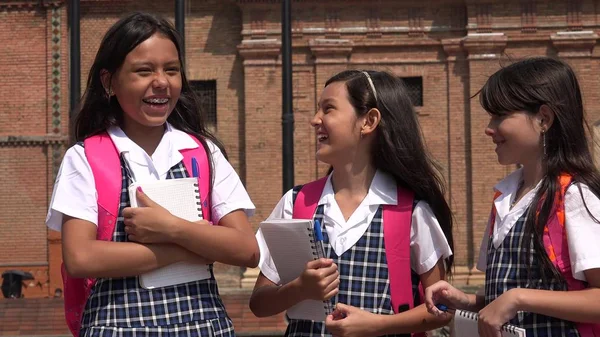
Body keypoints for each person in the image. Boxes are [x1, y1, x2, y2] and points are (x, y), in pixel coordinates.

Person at [46, 12, 259, 337]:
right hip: (116, 328)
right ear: (109, 82)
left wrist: (171, 227)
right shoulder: (85, 158)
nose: (161, 81)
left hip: (204, 327)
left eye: (171, 70)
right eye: (144, 71)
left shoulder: (203, 153)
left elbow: (247, 249)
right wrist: (189, 247)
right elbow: (80, 257)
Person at [249, 69, 454, 337]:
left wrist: (377, 325)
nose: (315, 120)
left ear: (368, 121)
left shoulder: (411, 212)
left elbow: (441, 306)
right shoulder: (296, 203)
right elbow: (259, 302)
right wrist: (299, 289)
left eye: (328, 109)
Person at [424, 57, 600, 337]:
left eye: (500, 115)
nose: (489, 128)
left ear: (543, 118)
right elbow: (503, 298)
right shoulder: (504, 198)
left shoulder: (574, 197)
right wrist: (465, 301)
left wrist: (519, 297)